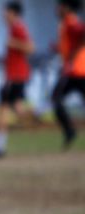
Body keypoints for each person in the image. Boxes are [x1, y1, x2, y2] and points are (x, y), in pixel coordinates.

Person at [0, 1, 35, 158]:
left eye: (6, 12)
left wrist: (13, 43)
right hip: (15, 75)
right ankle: (37, 119)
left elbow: (30, 48)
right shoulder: (14, 28)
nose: (3, 14)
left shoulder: (18, 28)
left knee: (2, 109)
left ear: (14, 13)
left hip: (15, 76)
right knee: (16, 108)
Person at [52, 0, 85, 149]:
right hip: (76, 71)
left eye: (60, 5)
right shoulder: (66, 23)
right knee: (56, 98)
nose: (57, 8)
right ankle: (69, 131)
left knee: (56, 98)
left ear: (66, 7)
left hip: (75, 71)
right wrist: (60, 49)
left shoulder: (70, 22)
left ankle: (70, 131)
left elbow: (81, 33)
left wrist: (73, 55)